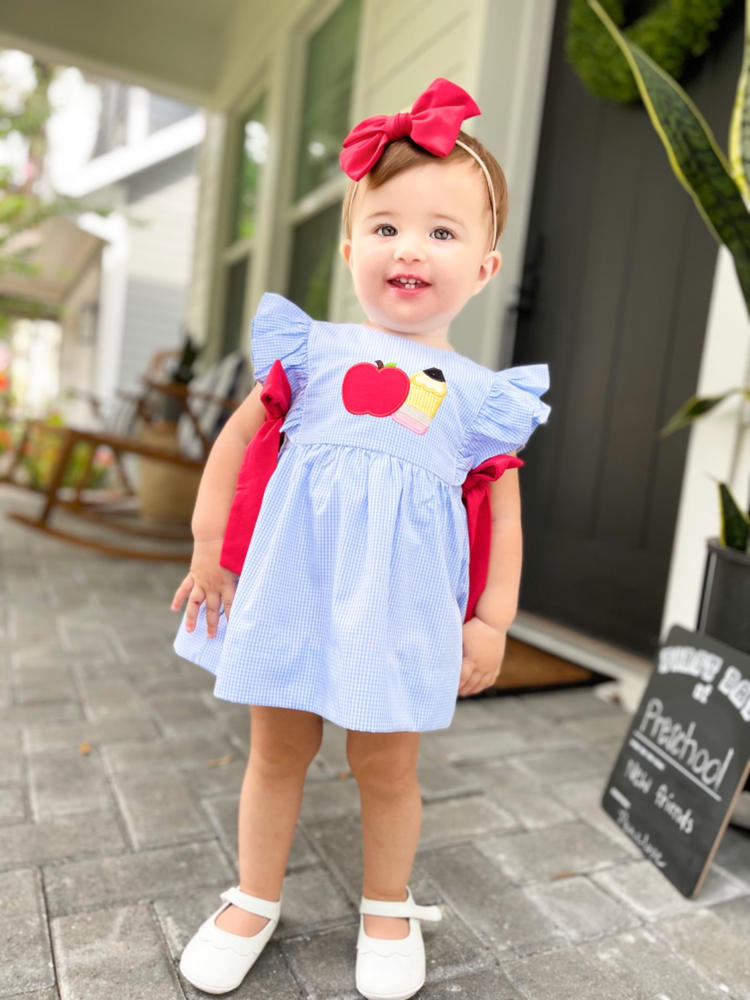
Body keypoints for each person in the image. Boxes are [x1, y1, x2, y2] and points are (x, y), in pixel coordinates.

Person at [171, 77, 550, 999]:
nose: (408, 249)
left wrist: (491, 620)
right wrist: (208, 547)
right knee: (277, 750)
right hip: (296, 587)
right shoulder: (313, 351)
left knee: (386, 764)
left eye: (441, 232)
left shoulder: (479, 397)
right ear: (350, 248)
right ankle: (254, 895)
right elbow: (234, 444)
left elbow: (502, 514)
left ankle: (386, 903)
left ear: (487, 266)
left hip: (401, 610)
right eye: (385, 228)